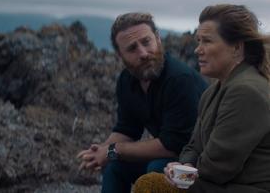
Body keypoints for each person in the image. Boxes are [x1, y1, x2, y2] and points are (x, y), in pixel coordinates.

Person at [133, 4, 270, 193]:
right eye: (198, 41)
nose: (198, 49)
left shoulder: (247, 92)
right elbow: (192, 146)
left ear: (237, 47)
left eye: (207, 41)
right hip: (213, 184)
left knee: (150, 185)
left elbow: (219, 166)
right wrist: (184, 166)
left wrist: (182, 173)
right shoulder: (213, 92)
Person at [77, 12, 208, 193]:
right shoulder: (127, 81)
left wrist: (113, 150)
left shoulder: (180, 80)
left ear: (158, 39)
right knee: (114, 167)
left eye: (146, 42)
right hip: (172, 157)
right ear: (120, 56)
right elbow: (127, 129)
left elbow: (172, 145)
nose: (143, 53)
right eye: (132, 49)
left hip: (198, 166)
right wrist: (100, 152)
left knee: (155, 170)